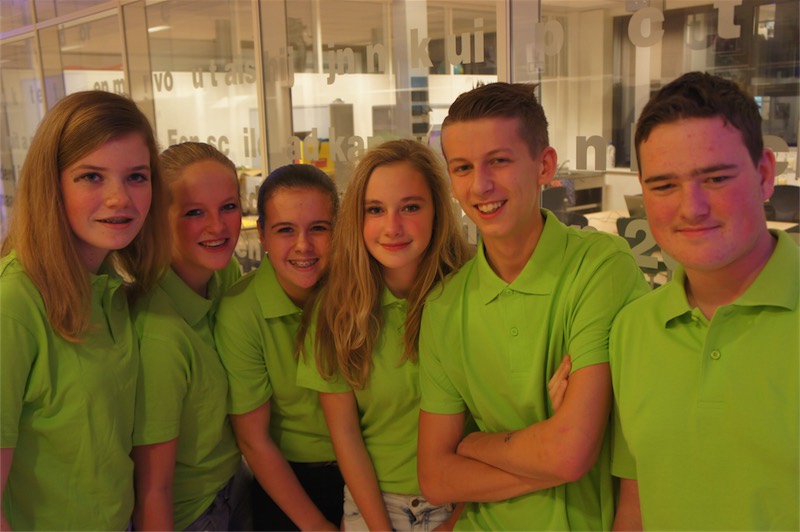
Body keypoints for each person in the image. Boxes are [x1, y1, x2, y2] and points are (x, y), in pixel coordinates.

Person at [416, 82, 649, 530]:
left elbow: (569, 454)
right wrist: (551, 454)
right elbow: (437, 479)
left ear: (544, 166)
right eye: (462, 168)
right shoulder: (444, 306)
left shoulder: (600, 267)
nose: (480, 185)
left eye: (499, 161)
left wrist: (476, 445)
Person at [610, 71, 799, 530]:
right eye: (663, 185)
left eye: (714, 178)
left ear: (764, 175)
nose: (691, 207)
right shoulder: (633, 329)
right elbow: (636, 502)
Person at [0, 90, 171, 530]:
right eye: (92, 177)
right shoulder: (13, 302)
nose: (119, 198)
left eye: (136, 177)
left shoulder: (110, 286)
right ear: (51, 185)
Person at [296, 138, 470, 531]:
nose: (392, 227)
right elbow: (346, 438)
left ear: (438, 211)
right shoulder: (335, 310)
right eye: (375, 209)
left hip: (467, 496)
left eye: (410, 207)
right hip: (374, 504)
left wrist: (460, 518)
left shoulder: (474, 288)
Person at [214, 164, 342, 531]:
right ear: (263, 236)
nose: (303, 245)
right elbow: (254, 442)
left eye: (319, 228)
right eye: (285, 230)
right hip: (287, 479)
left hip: (372, 467)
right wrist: (318, 526)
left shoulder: (356, 291)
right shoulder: (242, 310)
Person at [131, 142, 248, 530]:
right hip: (195, 513)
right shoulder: (160, 335)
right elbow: (153, 490)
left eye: (228, 207)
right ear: (158, 219)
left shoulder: (224, 274)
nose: (217, 227)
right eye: (194, 212)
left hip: (234, 481)